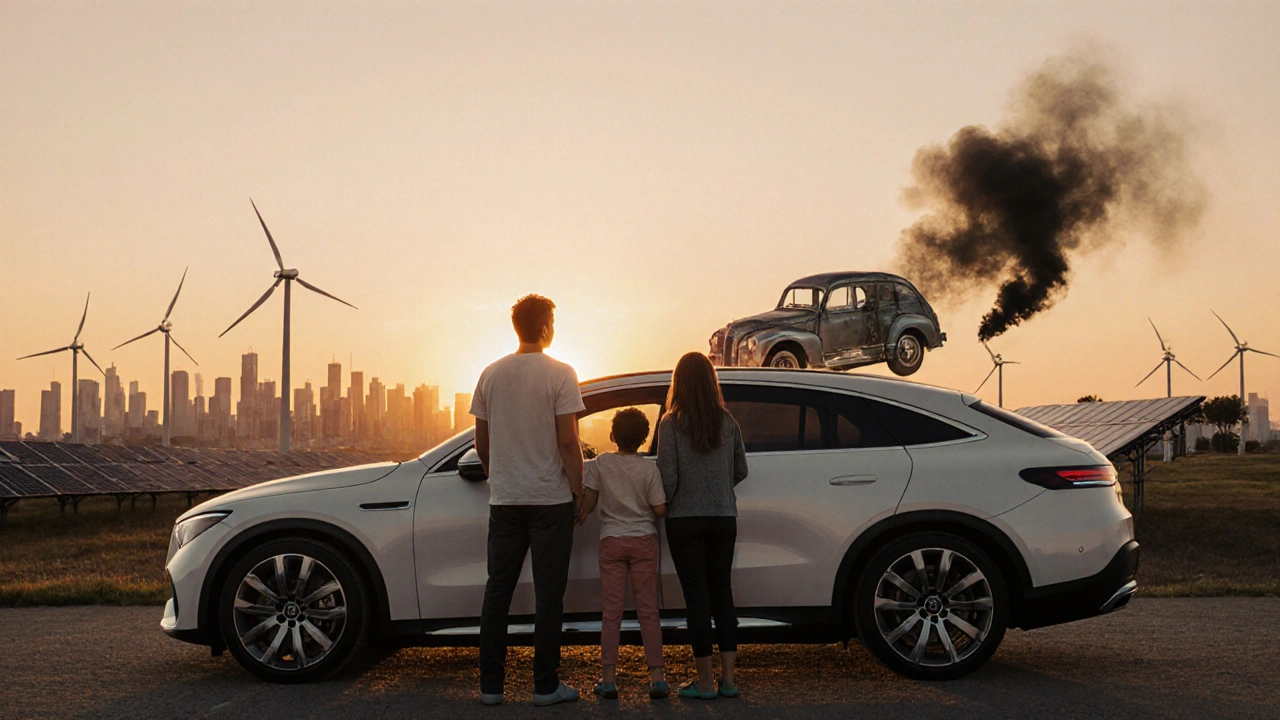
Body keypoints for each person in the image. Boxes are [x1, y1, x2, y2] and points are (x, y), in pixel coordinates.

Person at [470, 294, 584, 707]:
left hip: (504, 501)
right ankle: (545, 686)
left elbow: (482, 445)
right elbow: (569, 442)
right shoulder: (561, 374)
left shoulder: (490, 374)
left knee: (497, 591)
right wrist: (578, 490)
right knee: (549, 594)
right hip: (550, 502)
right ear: (545, 327)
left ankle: (491, 688)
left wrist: (500, 476)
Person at [655, 351, 748, 700]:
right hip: (724, 517)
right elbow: (741, 470)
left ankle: (705, 683)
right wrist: (718, 489)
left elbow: (668, 478)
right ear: (711, 381)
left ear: (680, 382)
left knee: (697, 599)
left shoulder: (671, 423)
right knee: (723, 594)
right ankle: (728, 680)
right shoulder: (728, 422)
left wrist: (665, 502)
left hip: (685, 520)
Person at [576, 407, 670, 700]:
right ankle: (657, 678)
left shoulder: (601, 464)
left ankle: (608, 679)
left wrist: (580, 514)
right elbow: (659, 510)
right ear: (644, 438)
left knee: (612, 612)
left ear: (612, 435)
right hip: (643, 540)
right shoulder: (649, 469)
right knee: (648, 611)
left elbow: (589, 502)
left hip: (612, 541)